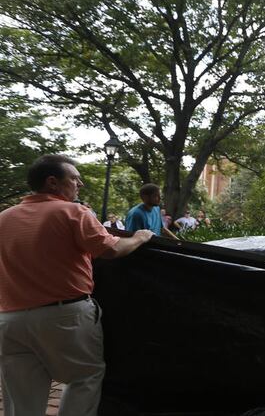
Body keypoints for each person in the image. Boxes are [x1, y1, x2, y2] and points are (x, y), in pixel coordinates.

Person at [0, 154, 154, 416]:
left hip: (9, 320)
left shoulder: (4, 217)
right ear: (52, 183)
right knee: (85, 377)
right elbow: (112, 250)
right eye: (74, 178)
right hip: (65, 316)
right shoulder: (72, 212)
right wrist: (140, 237)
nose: (79, 184)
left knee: (21, 396)